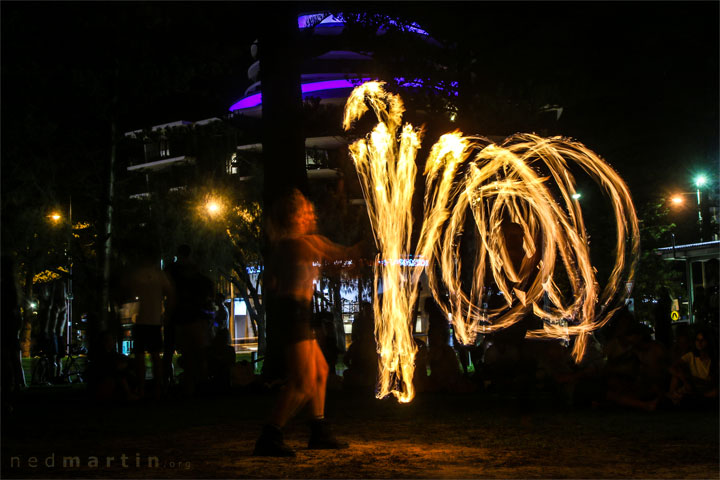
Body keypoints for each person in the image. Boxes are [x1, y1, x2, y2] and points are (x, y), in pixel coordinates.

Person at [254, 189, 357, 456]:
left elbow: (272, 282)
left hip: (295, 312)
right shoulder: (299, 244)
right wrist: (366, 248)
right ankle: (270, 435)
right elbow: (339, 256)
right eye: (306, 211)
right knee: (302, 381)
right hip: (293, 312)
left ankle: (318, 430)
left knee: (321, 371)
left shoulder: (293, 245)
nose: (312, 214)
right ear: (296, 217)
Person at [127, 249, 174, 398]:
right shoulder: (159, 275)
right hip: (153, 320)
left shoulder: (139, 274)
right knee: (155, 356)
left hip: (141, 320)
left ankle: (142, 388)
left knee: (141, 356)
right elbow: (170, 291)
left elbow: (129, 289)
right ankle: (157, 388)